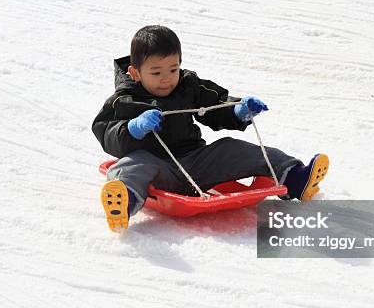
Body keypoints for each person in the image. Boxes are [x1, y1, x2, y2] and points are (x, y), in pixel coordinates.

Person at [92, 25, 329, 232]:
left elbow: (215, 104)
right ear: (135, 73)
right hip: (158, 167)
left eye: (173, 69)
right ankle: (124, 201)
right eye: (156, 72)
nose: (167, 79)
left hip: (196, 162)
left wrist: (238, 111)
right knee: (132, 164)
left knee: (231, 148)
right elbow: (104, 130)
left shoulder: (188, 85)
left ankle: (296, 177)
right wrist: (132, 129)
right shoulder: (124, 100)